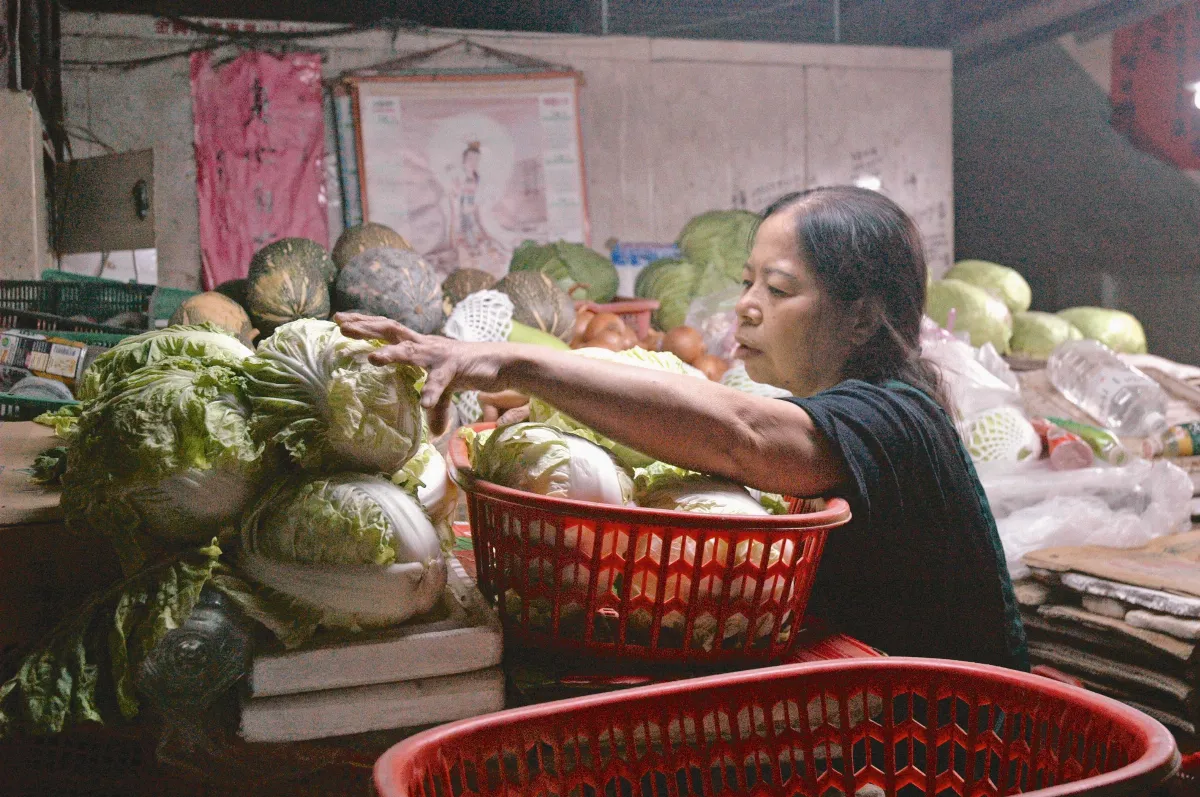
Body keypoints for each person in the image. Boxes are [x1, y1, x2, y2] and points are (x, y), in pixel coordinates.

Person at [336, 186, 1029, 671]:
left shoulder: (894, 416)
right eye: (748, 281)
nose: (747, 308)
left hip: (947, 747)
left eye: (779, 289)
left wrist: (514, 359)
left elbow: (742, 436)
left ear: (859, 318)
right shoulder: (855, 400)